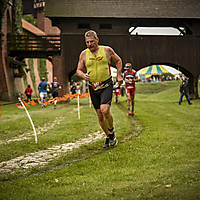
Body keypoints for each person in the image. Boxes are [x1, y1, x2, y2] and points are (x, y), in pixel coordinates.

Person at [76, 30, 123, 148]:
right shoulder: (83, 54)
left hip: (106, 84)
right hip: (93, 86)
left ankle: (111, 132)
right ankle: (109, 136)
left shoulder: (107, 50)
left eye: (92, 41)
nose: (89, 44)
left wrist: (118, 75)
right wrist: (83, 76)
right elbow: (78, 70)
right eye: (87, 42)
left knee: (105, 109)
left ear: (97, 40)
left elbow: (118, 61)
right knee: (100, 115)